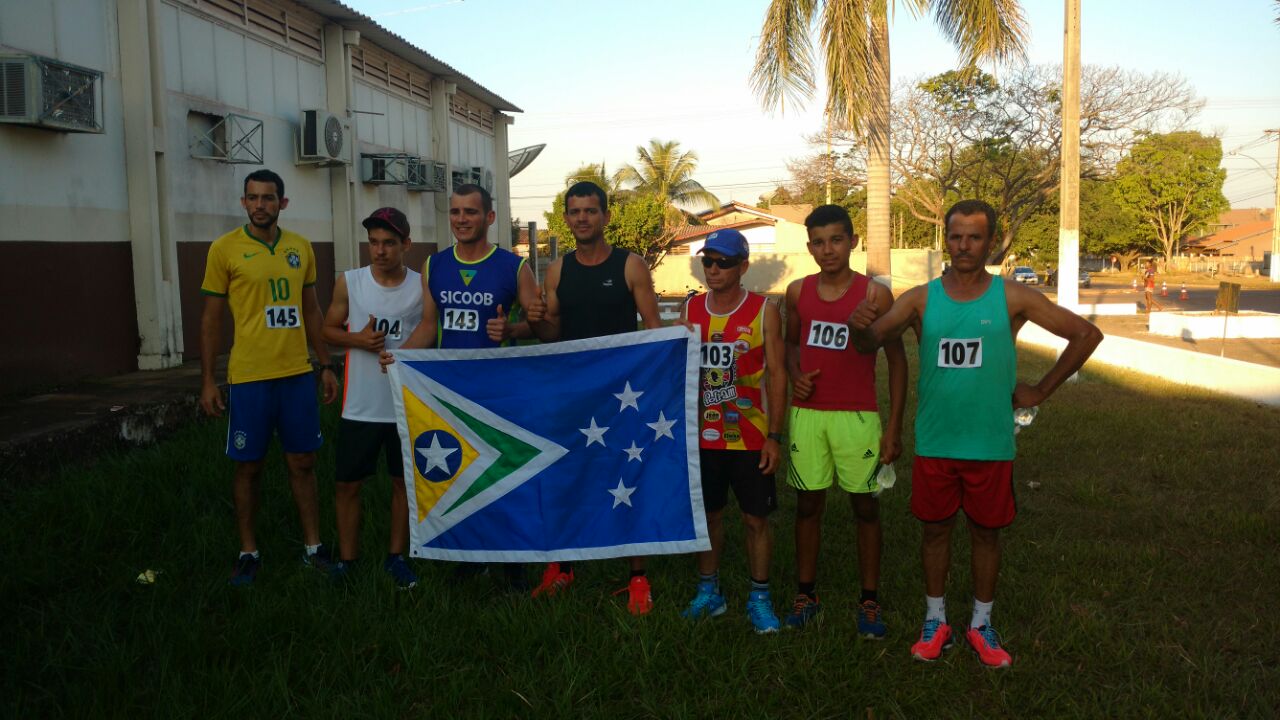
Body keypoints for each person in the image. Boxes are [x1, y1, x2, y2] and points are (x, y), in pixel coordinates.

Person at [849, 199, 1102, 668]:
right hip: (936, 441)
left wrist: (1040, 389)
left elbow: (1086, 334)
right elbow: (872, 339)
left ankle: (981, 624)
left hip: (989, 443)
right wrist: (859, 327)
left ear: (991, 242)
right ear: (945, 239)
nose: (964, 246)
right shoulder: (921, 298)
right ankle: (935, 621)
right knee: (935, 532)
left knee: (986, 535)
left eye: (974, 237)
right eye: (956, 236)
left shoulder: (1012, 297)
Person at [384, 184, 545, 588]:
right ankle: (472, 555)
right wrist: (399, 356)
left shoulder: (513, 267)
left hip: (499, 390)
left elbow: (543, 325)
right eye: (455, 212)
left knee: (505, 474)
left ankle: (513, 563)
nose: (461, 220)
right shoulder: (434, 265)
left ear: (489, 218)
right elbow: (428, 326)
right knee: (462, 473)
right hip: (449, 392)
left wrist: (513, 327)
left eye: (470, 212)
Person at [529, 180, 664, 615]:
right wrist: (535, 322)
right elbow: (552, 332)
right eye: (575, 211)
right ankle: (562, 566)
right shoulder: (557, 271)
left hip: (622, 395)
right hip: (571, 394)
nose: (582, 218)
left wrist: (674, 359)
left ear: (605, 216)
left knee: (629, 477)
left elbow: (654, 330)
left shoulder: (631, 266)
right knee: (565, 476)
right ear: (566, 218)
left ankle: (637, 576)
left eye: (590, 211)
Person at [199, 168, 339, 585]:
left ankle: (313, 548)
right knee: (249, 467)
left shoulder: (300, 247)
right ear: (243, 203)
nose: (261, 205)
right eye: (253, 198)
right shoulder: (224, 249)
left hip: (296, 374)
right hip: (250, 377)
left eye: (269, 198)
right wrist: (208, 379)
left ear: (283, 203)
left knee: (303, 462)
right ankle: (248, 552)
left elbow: (311, 310)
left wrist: (325, 364)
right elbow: (211, 318)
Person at [782, 204, 907, 639]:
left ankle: (869, 600)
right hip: (809, 417)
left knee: (865, 507)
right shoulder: (798, 292)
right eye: (818, 242)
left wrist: (893, 427)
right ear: (809, 246)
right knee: (808, 504)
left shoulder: (875, 296)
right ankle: (806, 594)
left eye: (836, 240)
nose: (827, 249)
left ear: (853, 241)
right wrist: (797, 376)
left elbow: (897, 363)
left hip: (858, 417)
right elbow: (790, 345)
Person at [677, 228, 786, 634]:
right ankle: (710, 592)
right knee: (709, 516)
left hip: (751, 436)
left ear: (743, 266)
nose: (714, 269)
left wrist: (775, 436)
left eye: (723, 262)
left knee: (756, 519)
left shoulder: (764, 311)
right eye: (708, 261)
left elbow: (777, 374)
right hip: (703, 437)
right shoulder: (691, 309)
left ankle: (760, 597)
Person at [321, 207, 423, 589]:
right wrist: (358, 340)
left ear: (406, 245)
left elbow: (432, 330)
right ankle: (348, 560)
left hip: (403, 404)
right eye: (374, 243)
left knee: (402, 484)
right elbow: (327, 329)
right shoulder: (350, 282)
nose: (380, 251)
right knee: (348, 484)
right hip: (360, 405)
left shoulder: (420, 286)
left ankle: (395, 558)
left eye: (389, 243)